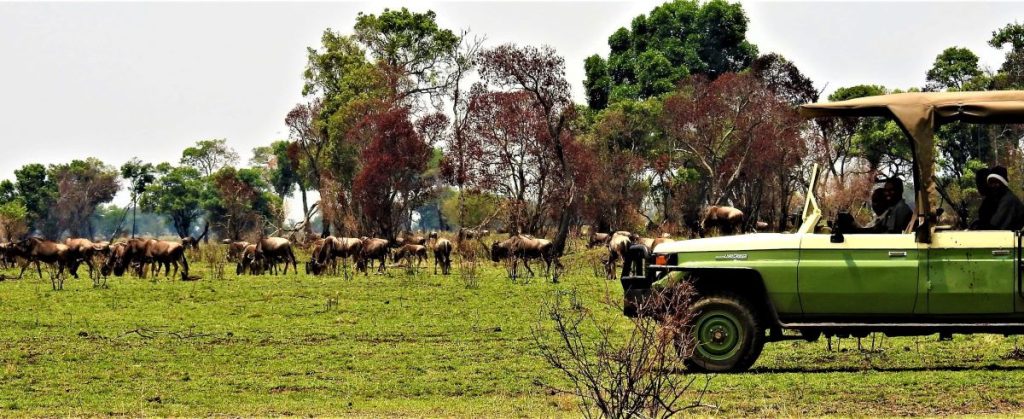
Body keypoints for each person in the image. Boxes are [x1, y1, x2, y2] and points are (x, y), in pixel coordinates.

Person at [975, 166, 1024, 230]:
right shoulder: (994, 200)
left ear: (1003, 183)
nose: (993, 185)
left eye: (997, 182)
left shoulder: (1008, 200)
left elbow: (994, 226)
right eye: (991, 183)